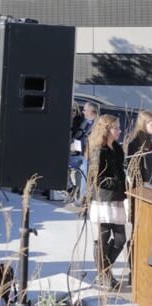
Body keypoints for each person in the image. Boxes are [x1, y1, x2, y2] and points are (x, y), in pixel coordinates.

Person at [88, 113, 128, 290]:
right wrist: (117, 182)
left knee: (120, 239)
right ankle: (105, 275)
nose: (119, 131)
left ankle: (103, 271)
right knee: (103, 237)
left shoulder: (118, 149)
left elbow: (120, 171)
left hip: (117, 197)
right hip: (104, 199)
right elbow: (97, 179)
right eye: (116, 128)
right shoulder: (99, 150)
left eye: (119, 127)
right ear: (106, 130)